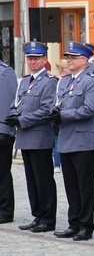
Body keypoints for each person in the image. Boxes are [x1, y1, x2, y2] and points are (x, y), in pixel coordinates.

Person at [50, 42, 94, 241]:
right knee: (70, 184)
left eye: (72, 58)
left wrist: (62, 115)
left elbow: (89, 109)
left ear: (84, 61)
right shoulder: (64, 81)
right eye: (67, 58)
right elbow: (58, 104)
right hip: (66, 138)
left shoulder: (91, 81)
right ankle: (74, 222)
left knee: (84, 186)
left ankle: (86, 225)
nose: (68, 61)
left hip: (83, 140)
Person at [6, 42, 58, 233]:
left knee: (43, 179)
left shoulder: (49, 82)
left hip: (40, 136)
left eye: (36, 58)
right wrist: (13, 115)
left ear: (45, 59)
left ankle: (48, 217)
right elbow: (16, 103)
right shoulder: (25, 81)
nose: (33, 61)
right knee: (31, 180)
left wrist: (22, 119)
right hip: (25, 136)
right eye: (30, 58)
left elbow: (47, 109)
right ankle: (37, 215)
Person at [0, 59, 18, 224]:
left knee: (2, 173)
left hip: (1, 131)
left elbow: (7, 102)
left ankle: (5, 210)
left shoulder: (4, 71)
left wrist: (4, 129)